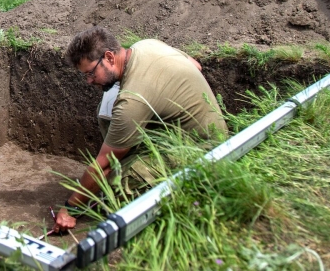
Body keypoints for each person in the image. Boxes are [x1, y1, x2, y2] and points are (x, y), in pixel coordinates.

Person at [52, 26, 227, 233]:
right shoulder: (146, 45)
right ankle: (131, 158)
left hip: (203, 151)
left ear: (109, 57)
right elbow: (195, 65)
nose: (89, 81)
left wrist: (71, 208)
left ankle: (183, 196)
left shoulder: (132, 101)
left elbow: (104, 166)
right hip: (199, 130)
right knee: (106, 109)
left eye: (91, 73)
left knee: (113, 188)